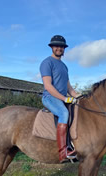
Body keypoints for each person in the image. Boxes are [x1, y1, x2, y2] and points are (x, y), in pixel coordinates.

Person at [40, 35, 79, 163]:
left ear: (64, 49)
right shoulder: (47, 63)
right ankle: (63, 152)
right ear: (52, 47)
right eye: (56, 46)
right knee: (64, 113)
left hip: (62, 98)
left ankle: (74, 144)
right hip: (50, 97)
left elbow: (70, 89)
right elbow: (48, 86)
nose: (59, 48)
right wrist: (64, 98)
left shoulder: (64, 67)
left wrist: (80, 96)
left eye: (61, 46)